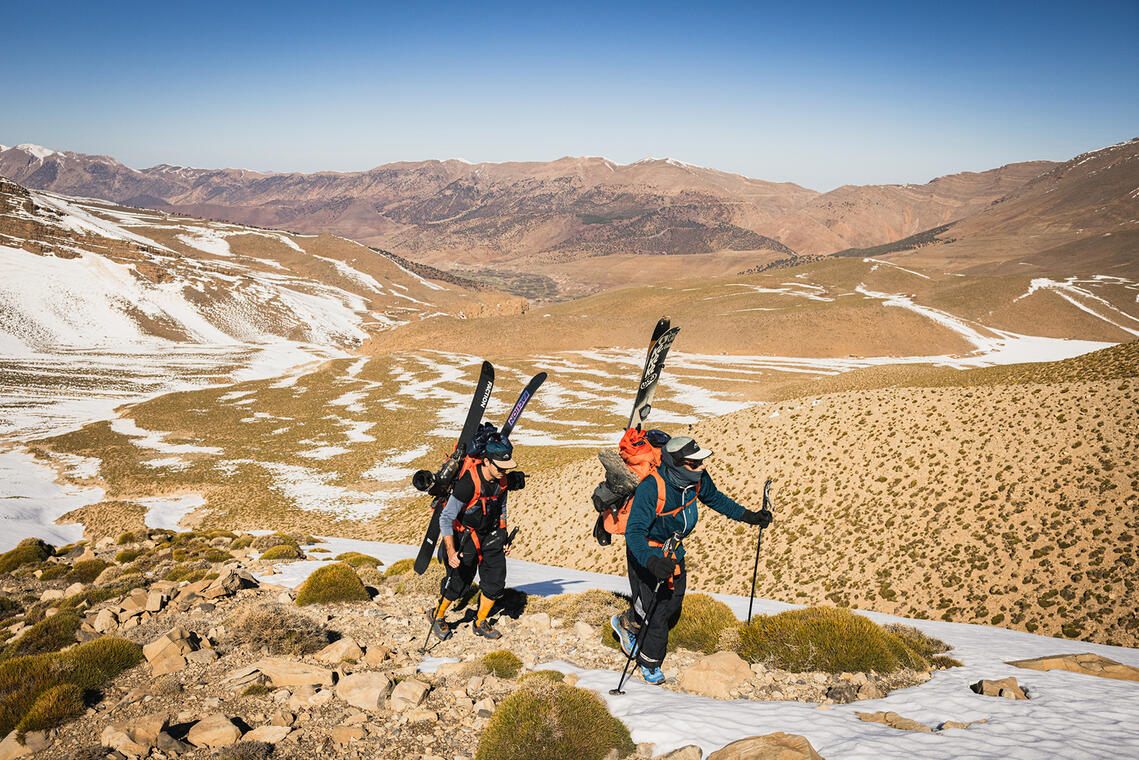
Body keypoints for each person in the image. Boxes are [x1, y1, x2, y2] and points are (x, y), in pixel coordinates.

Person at [611, 435, 772, 684]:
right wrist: (651, 562)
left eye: (701, 462)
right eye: (694, 463)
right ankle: (650, 663)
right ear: (675, 464)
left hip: (674, 550)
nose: (702, 466)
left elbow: (715, 498)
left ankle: (627, 621)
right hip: (648, 552)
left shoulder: (697, 480)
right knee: (658, 609)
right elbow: (634, 533)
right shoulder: (651, 488)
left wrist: (748, 516)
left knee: (673, 602)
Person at [428, 434, 525, 640]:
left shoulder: (503, 481)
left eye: (506, 468)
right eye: (500, 467)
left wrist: (504, 536)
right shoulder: (468, 483)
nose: (503, 471)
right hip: (466, 537)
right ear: (487, 461)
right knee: (458, 584)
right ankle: (437, 615)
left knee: (495, 582)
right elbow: (446, 518)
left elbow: (501, 509)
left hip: (492, 534)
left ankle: (480, 621)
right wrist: (452, 550)